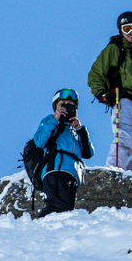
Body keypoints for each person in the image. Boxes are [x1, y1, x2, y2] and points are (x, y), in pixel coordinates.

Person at [87, 11, 132, 170]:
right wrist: (101, 94)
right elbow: (95, 74)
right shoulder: (115, 49)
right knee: (125, 141)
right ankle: (113, 173)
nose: (131, 33)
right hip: (124, 100)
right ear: (120, 31)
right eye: (126, 29)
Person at [32, 89, 93, 217]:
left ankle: (52, 233)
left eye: (71, 104)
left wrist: (80, 130)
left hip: (72, 174)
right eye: (63, 103)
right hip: (55, 170)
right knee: (57, 207)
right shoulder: (50, 121)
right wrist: (55, 119)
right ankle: (39, 229)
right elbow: (39, 142)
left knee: (65, 211)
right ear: (56, 106)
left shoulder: (74, 130)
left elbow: (88, 153)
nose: (67, 106)